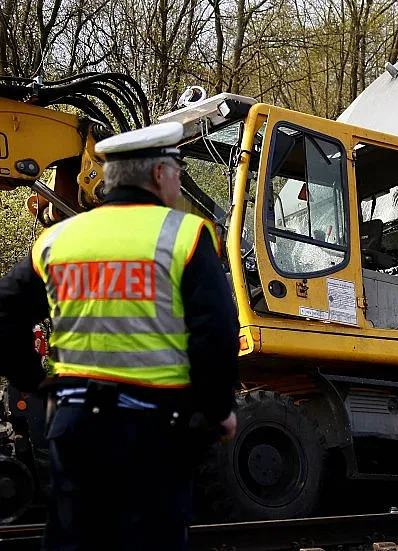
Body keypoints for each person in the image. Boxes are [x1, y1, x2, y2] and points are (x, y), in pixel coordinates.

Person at [0, 121, 239, 550]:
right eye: (176, 172)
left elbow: (4, 312)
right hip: (155, 431)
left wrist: (30, 380)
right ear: (158, 175)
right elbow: (217, 331)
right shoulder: (184, 236)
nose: (180, 182)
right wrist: (217, 408)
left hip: (75, 428)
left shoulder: (57, 240)